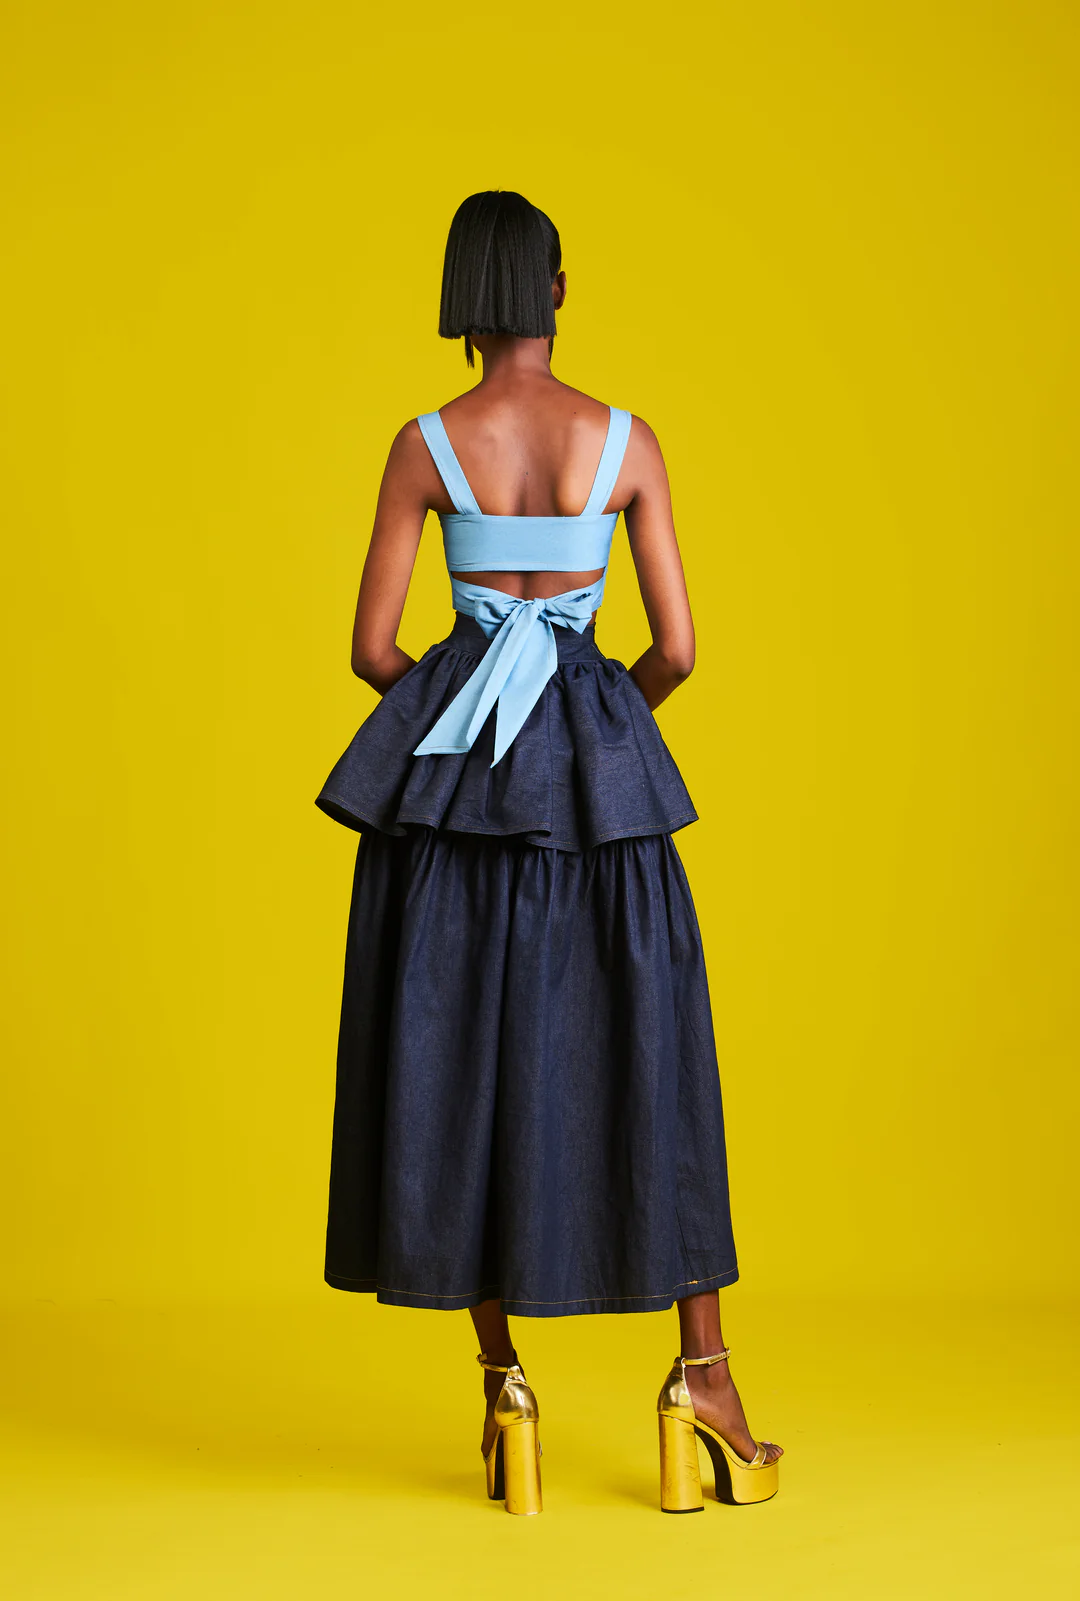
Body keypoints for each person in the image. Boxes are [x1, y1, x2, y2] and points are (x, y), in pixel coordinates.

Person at [316, 189, 783, 1516]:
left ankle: (504, 1386)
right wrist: (595, 735)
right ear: (560, 291)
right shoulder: (626, 442)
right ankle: (703, 1380)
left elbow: (371, 650)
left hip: (459, 804)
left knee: (458, 1066)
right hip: (599, 802)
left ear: (461, 296)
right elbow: (677, 649)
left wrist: (472, 725)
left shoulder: (424, 445)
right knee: (652, 1054)